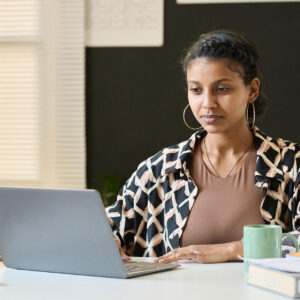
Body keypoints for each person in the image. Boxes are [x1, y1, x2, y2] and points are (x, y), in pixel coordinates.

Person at [105, 29, 300, 263]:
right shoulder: (161, 168)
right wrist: (106, 240)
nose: (207, 103)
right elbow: (110, 226)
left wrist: (231, 250)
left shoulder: (290, 164)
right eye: (196, 90)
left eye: (222, 89)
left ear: (252, 90)